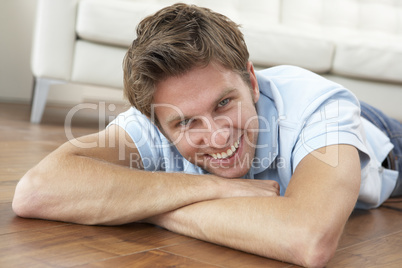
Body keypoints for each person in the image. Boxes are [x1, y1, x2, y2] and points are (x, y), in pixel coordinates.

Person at [12, 3, 401, 267]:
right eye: (184, 123)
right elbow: (36, 191)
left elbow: (308, 238)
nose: (215, 137)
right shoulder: (154, 116)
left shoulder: (319, 108)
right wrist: (220, 190)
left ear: (250, 80)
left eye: (223, 103)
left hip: (382, 140)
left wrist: (141, 204)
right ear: (157, 122)